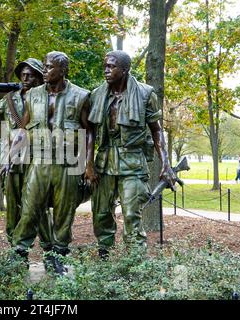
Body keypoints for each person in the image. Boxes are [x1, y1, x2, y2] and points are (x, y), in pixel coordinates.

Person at [12, 51, 96, 274]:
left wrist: (88, 165)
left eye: (49, 67)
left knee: (63, 213)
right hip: (39, 161)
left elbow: (89, 132)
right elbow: (23, 128)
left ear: (63, 70)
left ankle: (57, 256)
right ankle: (19, 254)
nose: (45, 71)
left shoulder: (80, 96)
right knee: (29, 210)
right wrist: (12, 155)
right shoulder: (32, 95)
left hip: (67, 163)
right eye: (45, 66)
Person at [86, 50, 176, 258]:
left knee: (131, 214)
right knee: (100, 213)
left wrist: (166, 163)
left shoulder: (145, 94)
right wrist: (88, 164)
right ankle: (104, 256)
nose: (106, 70)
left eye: (112, 66)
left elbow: (157, 130)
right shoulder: (97, 94)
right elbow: (89, 131)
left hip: (133, 163)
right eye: (105, 66)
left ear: (125, 69)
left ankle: (135, 263)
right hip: (104, 161)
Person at [0, 58, 53, 253]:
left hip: (38, 158)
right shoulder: (8, 100)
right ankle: (17, 251)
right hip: (13, 160)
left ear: (40, 77)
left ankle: (50, 252)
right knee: (13, 208)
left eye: (30, 73)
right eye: (22, 73)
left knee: (38, 206)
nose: (25, 76)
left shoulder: (48, 98)